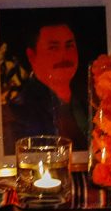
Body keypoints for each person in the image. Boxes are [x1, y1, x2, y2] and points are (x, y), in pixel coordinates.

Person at [5, 22, 88, 151]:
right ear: (32, 56)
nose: (64, 55)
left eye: (69, 46)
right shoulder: (19, 113)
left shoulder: (89, 102)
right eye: (53, 48)